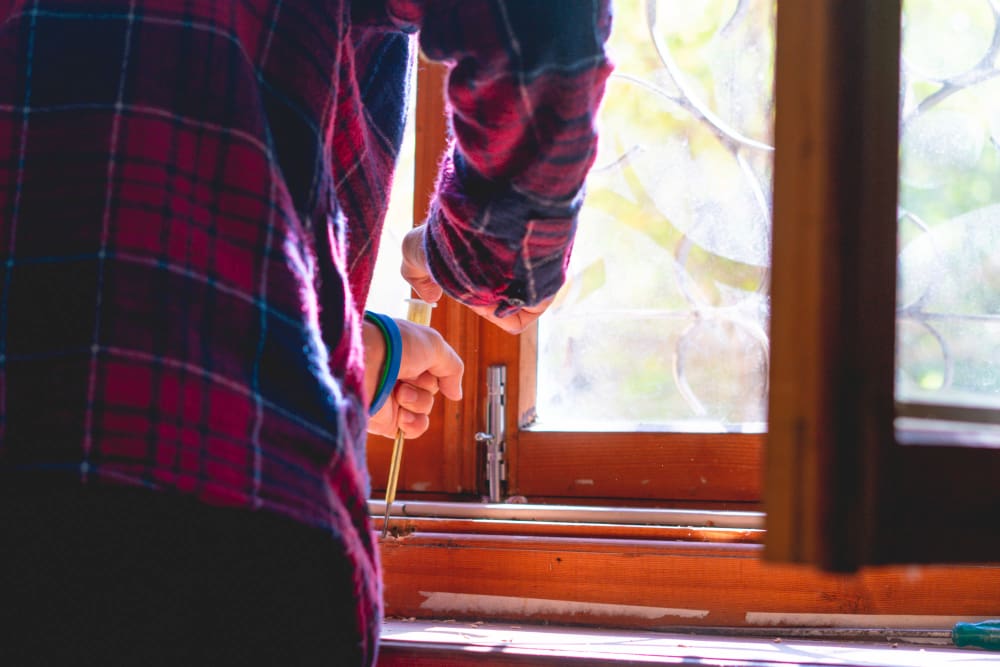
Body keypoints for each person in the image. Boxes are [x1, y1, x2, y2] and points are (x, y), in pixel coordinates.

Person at [0, 1, 612, 665]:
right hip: (221, 519)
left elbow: (92, 222)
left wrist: (348, 355)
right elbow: (539, 23)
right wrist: (477, 258)